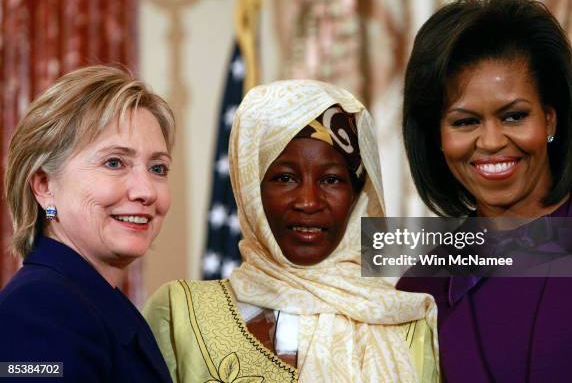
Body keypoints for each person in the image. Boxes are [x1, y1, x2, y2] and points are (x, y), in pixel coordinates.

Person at [144, 80, 439, 382]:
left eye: (332, 180)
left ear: (357, 194)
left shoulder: (408, 324)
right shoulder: (178, 315)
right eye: (284, 178)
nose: (308, 202)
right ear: (250, 191)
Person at [397, 0, 572, 381]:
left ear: (550, 120)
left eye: (514, 116)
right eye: (465, 122)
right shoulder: (420, 287)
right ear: (437, 137)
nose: (492, 141)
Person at [0, 65, 174, 382]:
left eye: (158, 168)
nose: (146, 191)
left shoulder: (93, 301)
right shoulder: (41, 308)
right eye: (114, 162)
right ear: (44, 186)